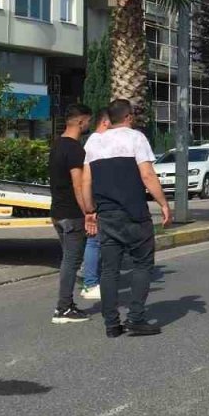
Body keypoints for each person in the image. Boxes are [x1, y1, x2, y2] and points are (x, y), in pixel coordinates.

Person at [81, 99, 172, 338]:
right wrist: (163, 204)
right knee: (142, 264)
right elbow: (147, 175)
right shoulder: (135, 138)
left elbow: (86, 180)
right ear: (128, 117)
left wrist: (89, 210)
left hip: (106, 215)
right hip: (134, 213)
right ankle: (136, 318)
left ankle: (111, 324)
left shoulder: (93, 141)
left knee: (109, 270)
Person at [48, 103, 93, 324]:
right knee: (71, 262)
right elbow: (78, 185)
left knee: (69, 260)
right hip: (72, 214)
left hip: (57, 212)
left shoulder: (57, 145)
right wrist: (88, 212)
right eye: (88, 121)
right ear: (80, 121)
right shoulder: (75, 149)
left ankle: (67, 305)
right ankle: (63, 308)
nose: (88, 125)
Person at [78, 109, 112, 301]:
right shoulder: (97, 141)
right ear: (105, 122)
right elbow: (87, 178)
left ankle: (90, 276)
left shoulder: (93, 141)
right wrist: (89, 209)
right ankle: (90, 281)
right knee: (94, 240)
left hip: (96, 197)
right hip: (97, 198)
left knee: (96, 240)